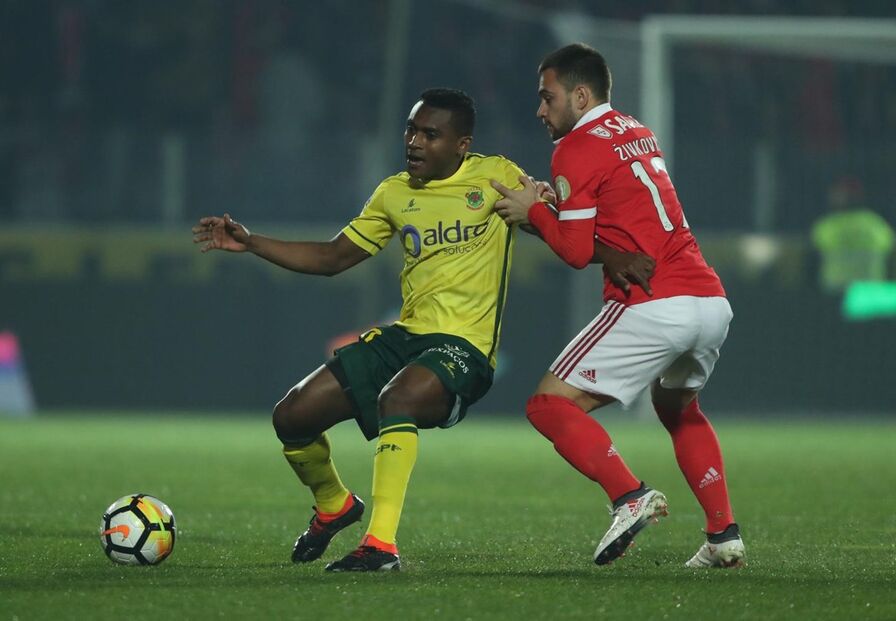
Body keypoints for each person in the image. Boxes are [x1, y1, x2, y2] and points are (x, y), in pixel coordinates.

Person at [192, 87, 647, 572]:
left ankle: (379, 546)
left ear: (461, 144)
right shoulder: (393, 193)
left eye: (431, 134)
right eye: (412, 130)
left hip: (465, 348)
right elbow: (331, 258)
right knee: (292, 417)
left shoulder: (496, 177)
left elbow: (559, 231)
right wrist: (252, 242)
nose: (414, 142)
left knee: (399, 399)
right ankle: (334, 505)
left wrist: (613, 254)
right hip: (405, 339)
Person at [491, 44, 746, 568]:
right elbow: (616, 212)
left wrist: (535, 212)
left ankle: (629, 495)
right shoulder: (634, 129)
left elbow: (576, 251)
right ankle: (723, 536)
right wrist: (554, 206)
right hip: (709, 299)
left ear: (580, 95)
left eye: (548, 97)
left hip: (655, 302)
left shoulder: (574, 148)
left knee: (548, 406)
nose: (541, 110)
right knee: (678, 408)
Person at [811, 176, 895, 293]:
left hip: (835, 295)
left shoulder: (827, 226)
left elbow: (813, 262)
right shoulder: (877, 224)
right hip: (871, 295)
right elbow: (890, 258)